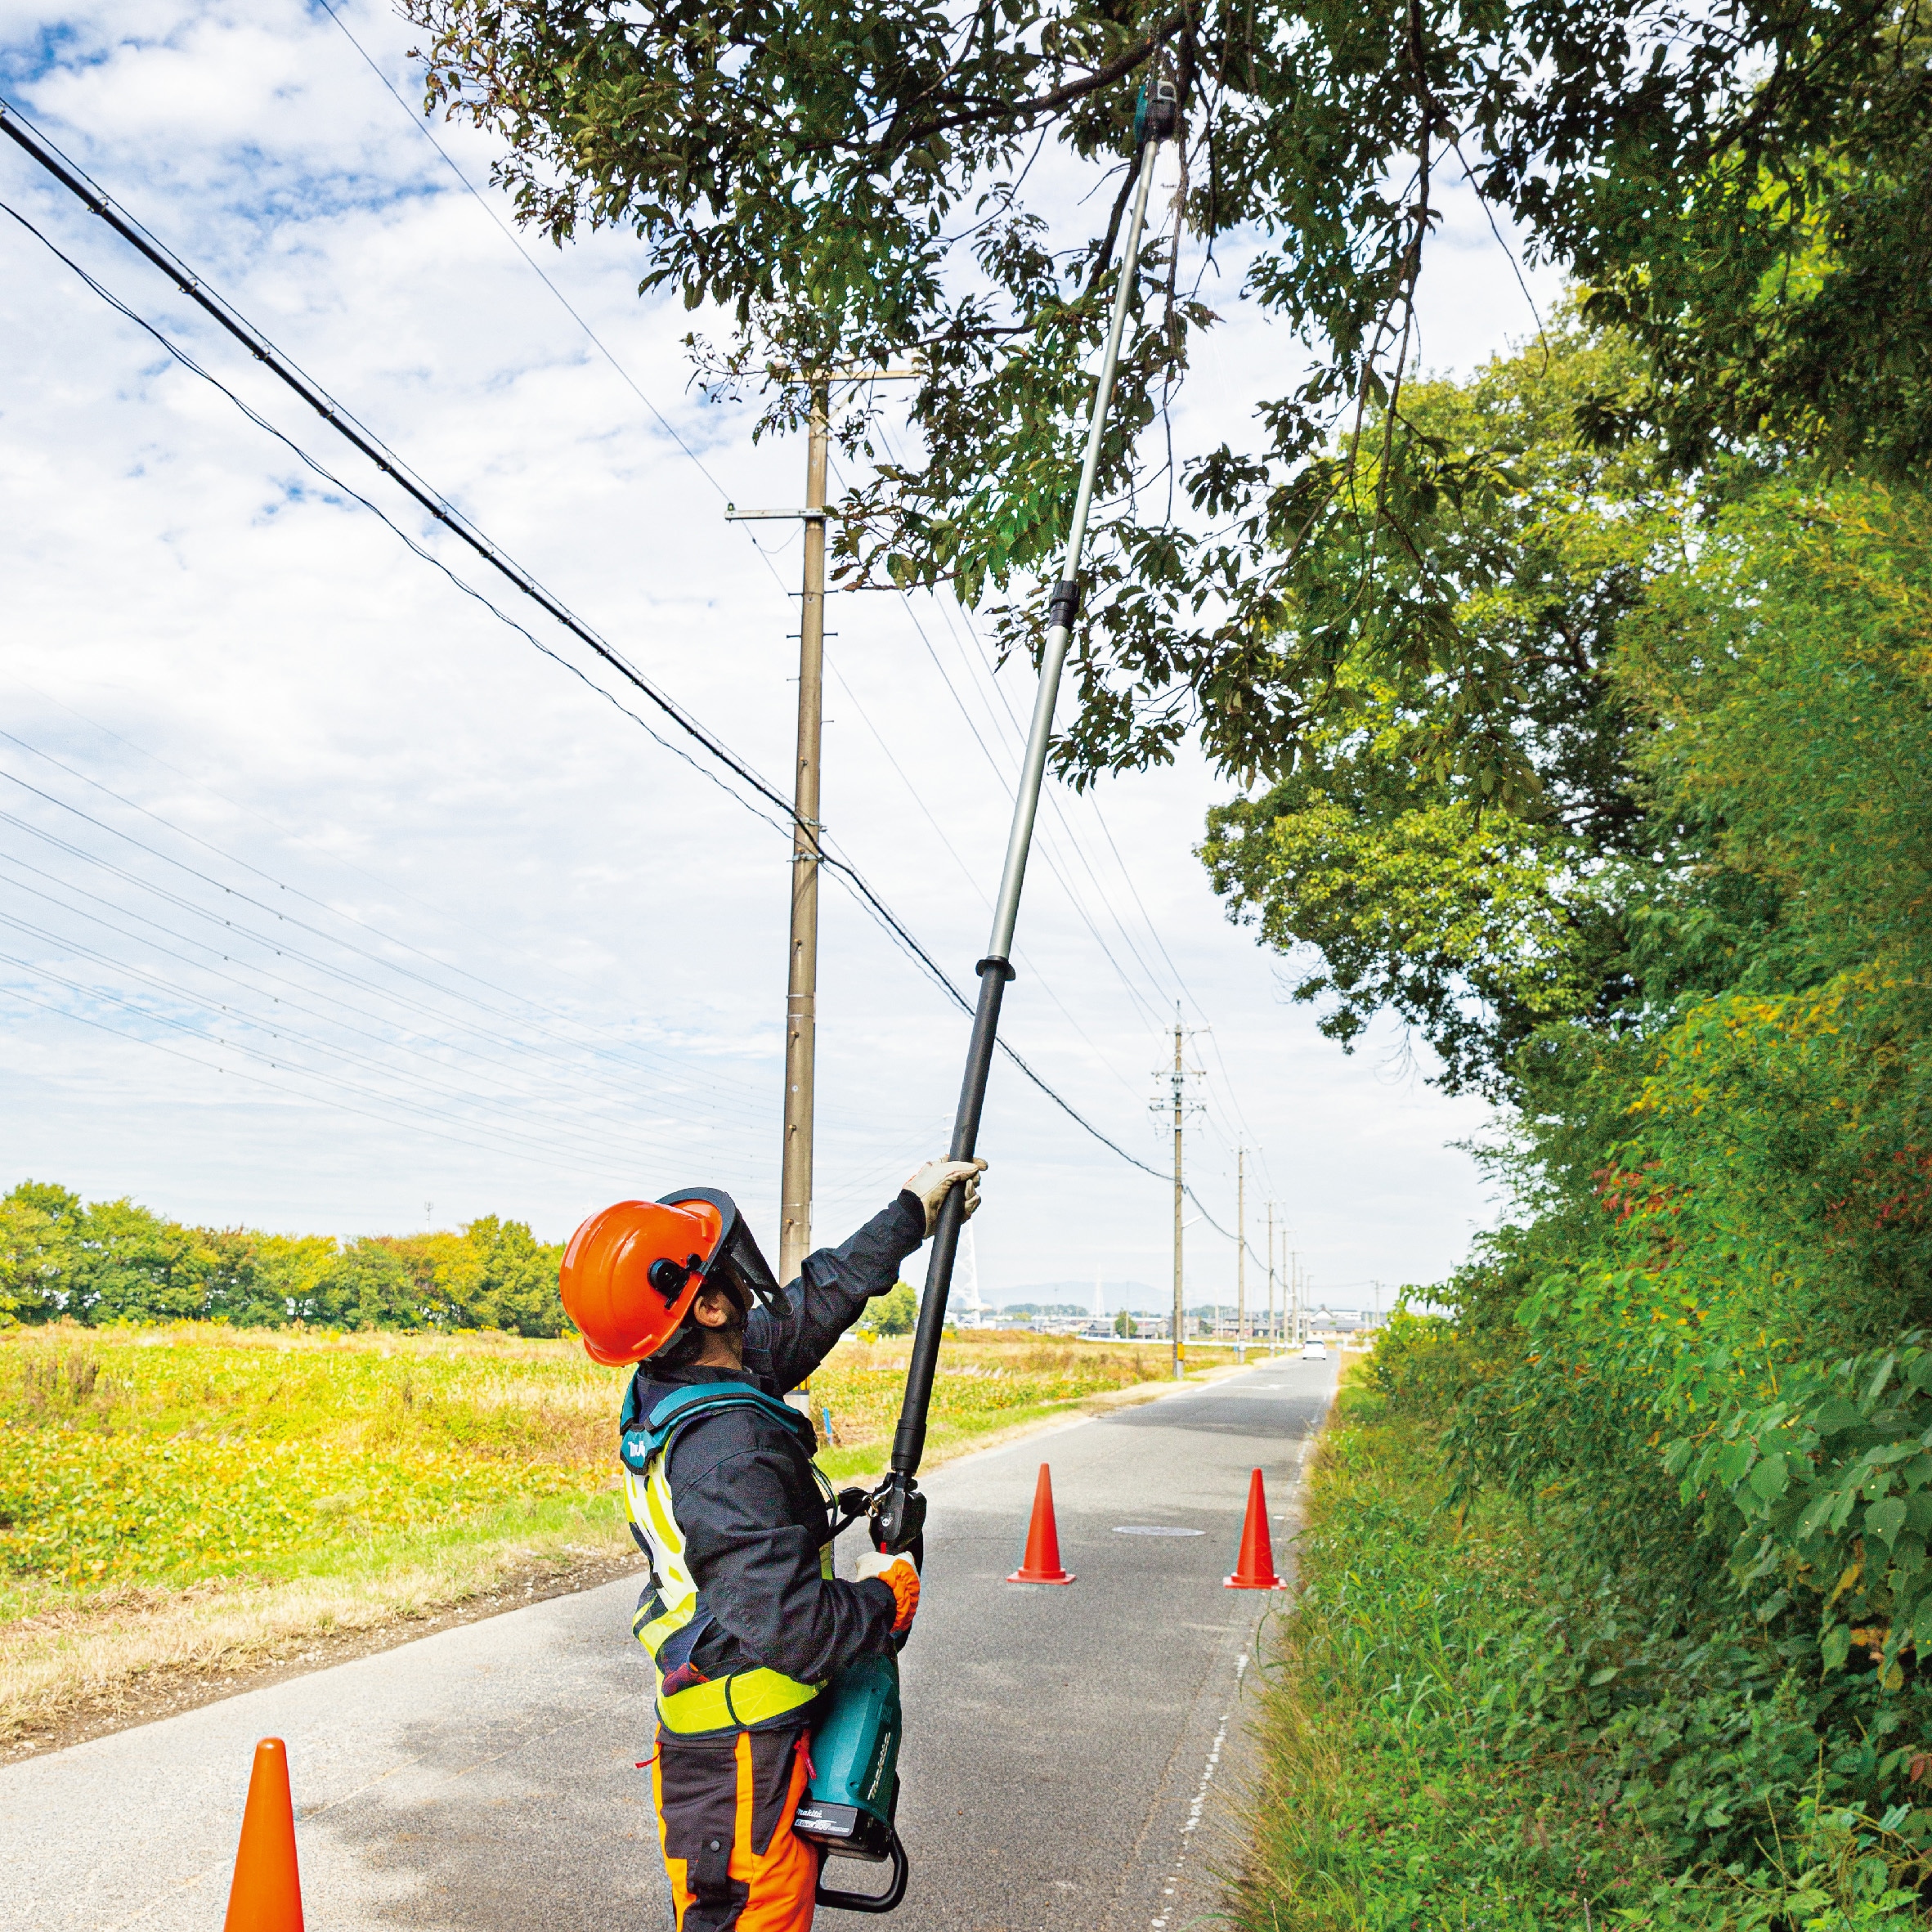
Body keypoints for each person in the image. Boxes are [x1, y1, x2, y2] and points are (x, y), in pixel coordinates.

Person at [558, 1157, 986, 1932]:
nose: (744, 1278)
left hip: (744, 1735)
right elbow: (792, 1626)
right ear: (710, 1305)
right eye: (724, 1266)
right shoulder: (727, 1451)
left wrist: (908, 1216)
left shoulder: (685, 1382)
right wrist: (884, 1593)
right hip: (739, 1756)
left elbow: (811, 1305)